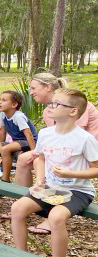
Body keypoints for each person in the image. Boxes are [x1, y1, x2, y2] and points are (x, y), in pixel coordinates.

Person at [6, 89, 98, 257]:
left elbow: (96, 169)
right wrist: (40, 180)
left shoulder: (85, 139)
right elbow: (40, 158)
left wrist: (71, 174)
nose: (50, 106)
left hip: (77, 191)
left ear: (73, 112)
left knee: (56, 217)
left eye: (57, 104)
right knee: (17, 208)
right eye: (51, 103)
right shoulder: (46, 133)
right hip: (50, 188)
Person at [16, 73, 98, 234]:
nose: (31, 92)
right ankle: (28, 197)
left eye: (34, 88)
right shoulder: (49, 112)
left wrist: (44, 156)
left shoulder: (74, 105)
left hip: (84, 151)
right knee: (25, 159)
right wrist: (40, 176)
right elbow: (51, 139)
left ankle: (49, 217)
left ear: (47, 87)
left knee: (31, 158)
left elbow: (70, 136)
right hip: (59, 149)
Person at [0, 91, 37, 183]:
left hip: (28, 141)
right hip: (16, 143)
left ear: (14, 104)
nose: (0, 102)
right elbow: (3, 132)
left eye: (4, 100)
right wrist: (1, 144)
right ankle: (10, 153)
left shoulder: (18, 117)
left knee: (5, 149)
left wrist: (33, 152)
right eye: (0, 100)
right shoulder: (3, 115)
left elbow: (29, 135)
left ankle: (5, 178)